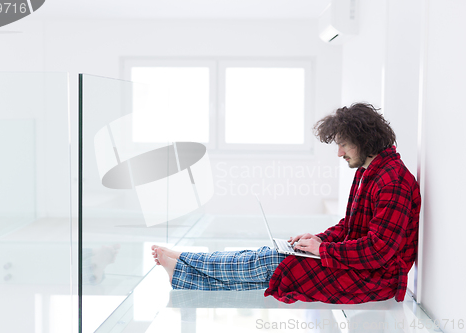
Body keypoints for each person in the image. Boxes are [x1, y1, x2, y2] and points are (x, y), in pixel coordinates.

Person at [152, 103, 421, 304]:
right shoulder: (369, 171)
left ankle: (185, 262)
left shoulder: (392, 182)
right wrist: (317, 240)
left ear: (364, 141)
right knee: (269, 259)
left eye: (344, 145)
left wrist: (323, 250)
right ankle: (183, 267)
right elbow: (349, 227)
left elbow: (378, 250)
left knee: (273, 263)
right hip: (361, 267)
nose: (339, 153)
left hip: (377, 279)